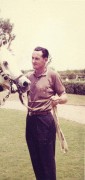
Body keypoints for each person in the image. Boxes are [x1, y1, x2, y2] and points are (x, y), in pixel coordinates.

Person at [26, 46, 68, 180]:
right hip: (30, 120)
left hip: (45, 121)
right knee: (35, 159)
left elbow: (64, 96)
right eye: (32, 58)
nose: (33, 61)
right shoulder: (28, 76)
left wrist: (58, 99)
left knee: (47, 160)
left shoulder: (53, 75)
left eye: (37, 58)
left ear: (45, 60)